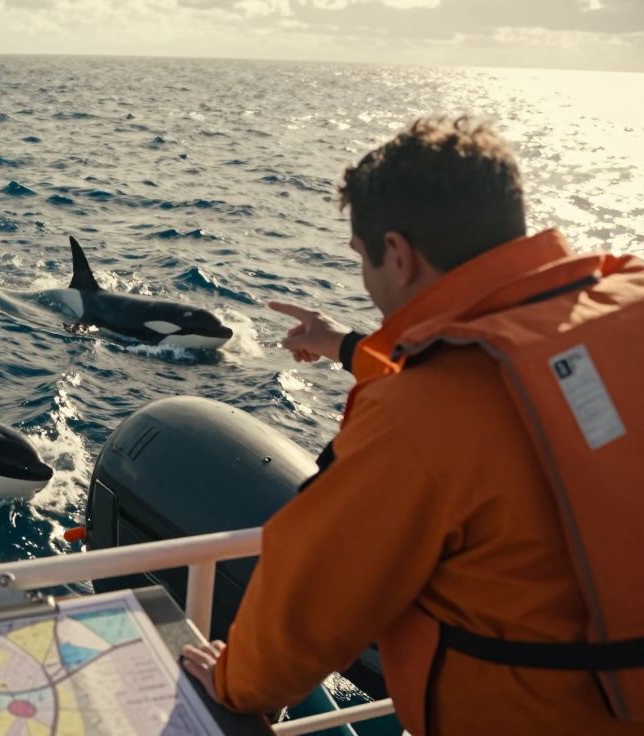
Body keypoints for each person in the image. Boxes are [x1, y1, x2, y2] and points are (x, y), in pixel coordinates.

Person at [181, 117, 644, 735]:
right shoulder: (624, 302)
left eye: (362, 260)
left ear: (397, 255)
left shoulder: (412, 422)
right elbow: (519, 382)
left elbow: (308, 601)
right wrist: (345, 346)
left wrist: (233, 681)